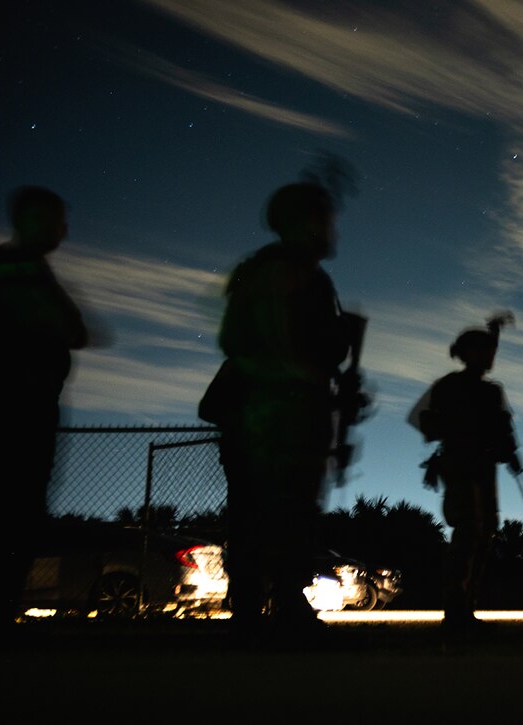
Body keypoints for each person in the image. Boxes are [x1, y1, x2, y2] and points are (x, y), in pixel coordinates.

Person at [205, 179, 358, 641]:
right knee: (271, 509)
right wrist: (296, 376)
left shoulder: (302, 275)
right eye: (324, 217)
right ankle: (266, 610)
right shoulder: (279, 270)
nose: (332, 228)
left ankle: (267, 607)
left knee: (281, 511)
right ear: (303, 222)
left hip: (286, 407)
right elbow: (240, 342)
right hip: (271, 410)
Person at [0, 186, 88, 627]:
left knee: (20, 504)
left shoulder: (28, 268)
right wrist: (60, 321)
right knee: (11, 505)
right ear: (28, 220)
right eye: (53, 219)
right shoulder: (12, 266)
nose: (61, 230)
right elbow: (67, 326)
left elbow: (72, 328)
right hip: (16, 400)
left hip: (28, 399)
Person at [409, 313, 522, 637]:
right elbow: (429, 423)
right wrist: (462, 431)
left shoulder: (490, 391)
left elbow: (503, 430)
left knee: (484, 531)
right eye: (482, 351)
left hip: (483, 466)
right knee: (469, 529)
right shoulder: (449, 386)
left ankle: (465, 607)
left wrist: (507, 450)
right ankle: (456, 610)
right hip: (460, 463)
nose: (488, 358)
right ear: (467, 353)